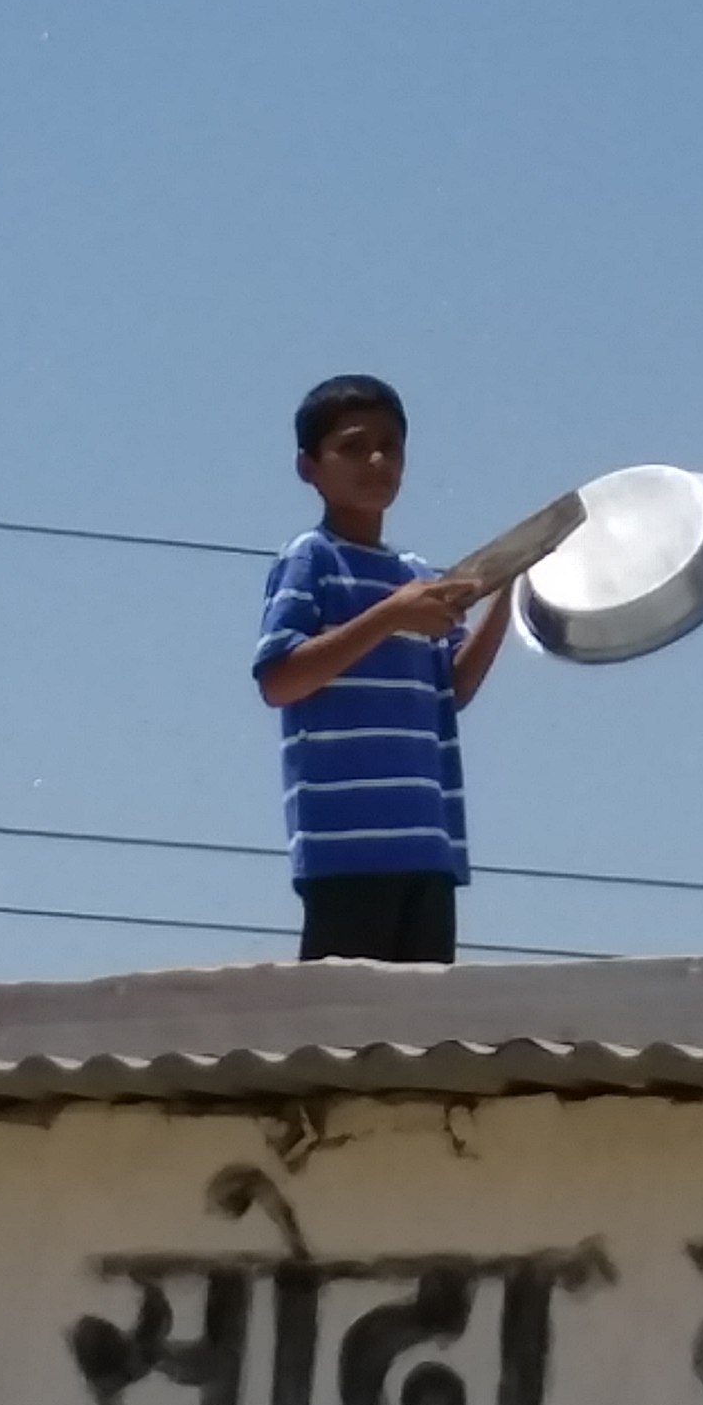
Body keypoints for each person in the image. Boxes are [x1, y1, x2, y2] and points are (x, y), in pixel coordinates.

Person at [255, 374, 516, 964]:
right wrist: (390, 614)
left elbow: (448, 690)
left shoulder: (415, 573)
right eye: (351, 446)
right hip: (346, 850)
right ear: (308, 466)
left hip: (428, 846)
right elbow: (280, 679)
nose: (375, 460)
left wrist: (509, 593)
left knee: (418, 1039)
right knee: (341, 1037)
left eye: (389, 446)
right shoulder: (311, 559)